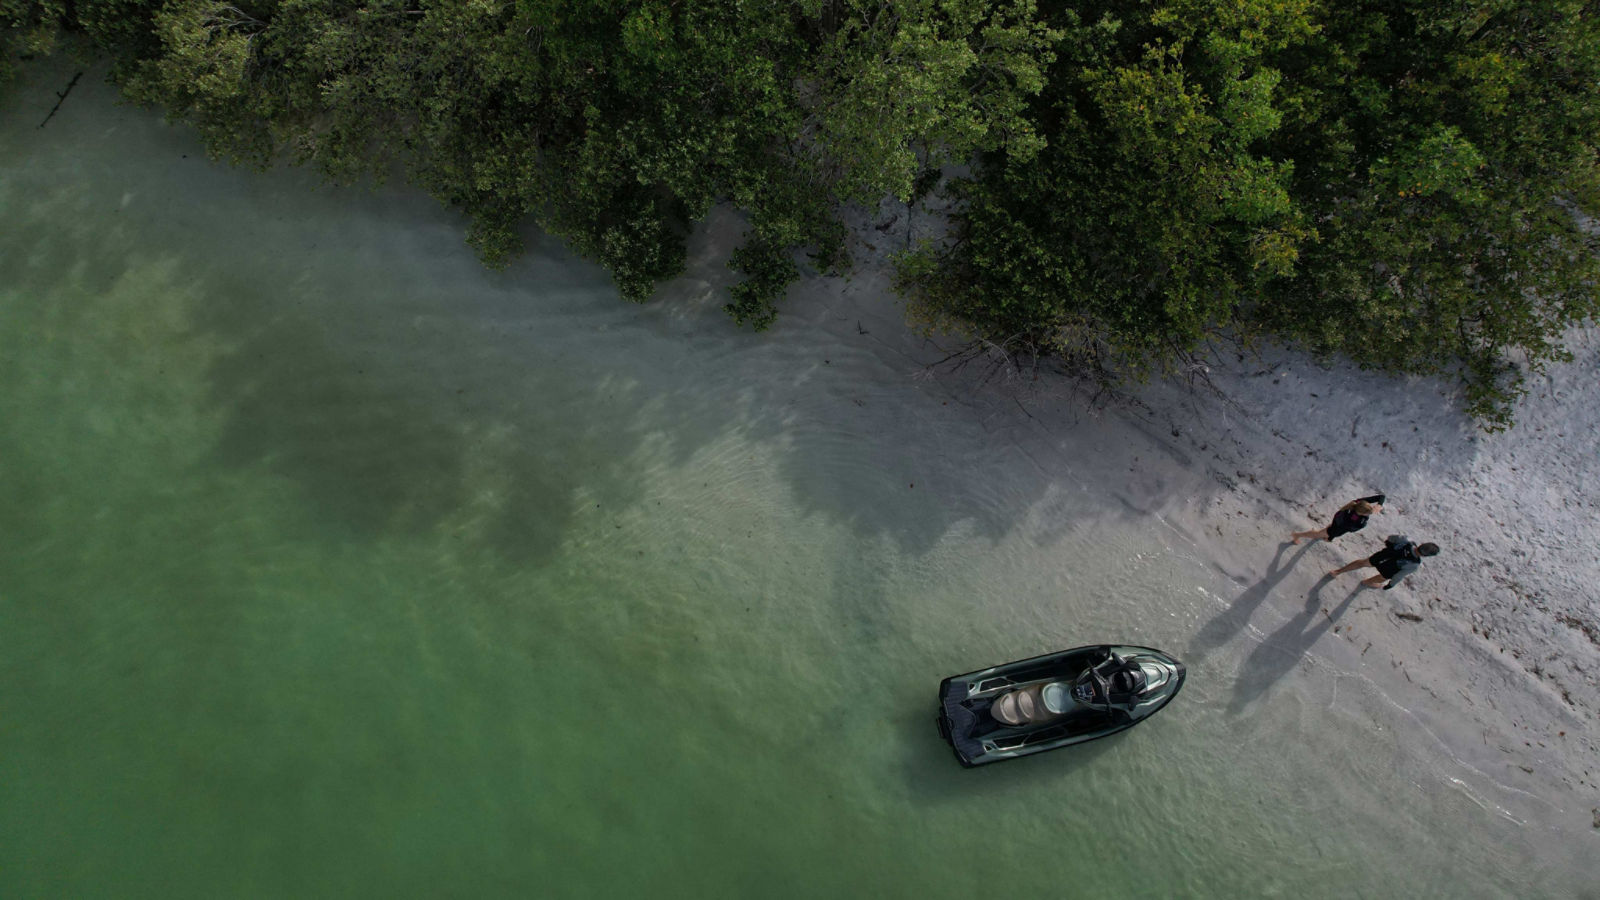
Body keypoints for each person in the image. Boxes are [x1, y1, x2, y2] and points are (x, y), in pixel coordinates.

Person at [1328, 534, 1439, 589]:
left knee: (1363, 563)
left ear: (1422, 544)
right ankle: (1367, 582)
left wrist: (1388, 543)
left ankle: (1338, 571)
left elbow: (1391, 538)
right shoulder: (1414, 564)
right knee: (1382, 577)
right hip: (1388, 569)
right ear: (1426, 556)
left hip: (1382, 556)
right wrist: (1390, 585)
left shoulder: (1407, 540)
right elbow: (1400, 575)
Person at [1291, 494, 1385, 544]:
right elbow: (1346, 529)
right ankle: (1298, 535)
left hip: (1338, 519)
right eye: (1367, 513)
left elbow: (1381, 496)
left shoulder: (1360, 503)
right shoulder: (1352, 518)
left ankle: (1321, 533)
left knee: (1326, 530)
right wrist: (1331, 537)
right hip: (1338, 526)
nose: (1371, 513)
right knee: (1318, 534)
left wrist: (1379, 504)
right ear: (1360, 513)